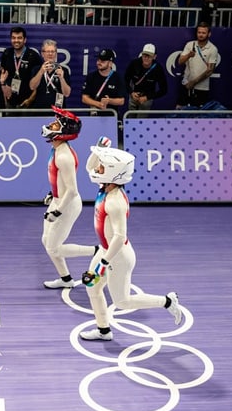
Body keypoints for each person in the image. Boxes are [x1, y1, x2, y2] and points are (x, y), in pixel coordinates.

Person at [79, 143, 184, 341]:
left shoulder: (115, 201)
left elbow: (119, 236)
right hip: (107, 251)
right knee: (92, 287)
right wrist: (97, 150)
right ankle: (104, 330)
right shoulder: (106, 186)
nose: (97, 169)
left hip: (117, 257)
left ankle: (168, 301)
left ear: (112, 172)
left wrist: (104, 263)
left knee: (123, 301)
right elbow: (88, 168)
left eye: (102, 167)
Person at [41, 106, 97, 289]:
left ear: (64, 132)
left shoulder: (64, 156)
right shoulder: (57, 149)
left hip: (67, 205)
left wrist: (57, 211)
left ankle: (97, 251)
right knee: (46, 241)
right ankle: (66, 280)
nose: (51, 125)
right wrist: (53, 193)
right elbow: (61, 181)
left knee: (53, 247)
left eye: (56, 124)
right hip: (59, 200)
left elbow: (72, 190)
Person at [176, 21, 218, 108]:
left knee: (197, 115)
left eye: (203, 33)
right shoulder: (190, 44)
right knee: (179, 110)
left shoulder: (213, 49)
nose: (201, 35)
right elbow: (180, 61)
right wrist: (188, 55)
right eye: (199, 32)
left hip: (202, 88)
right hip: (186, 84)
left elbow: (210, 70)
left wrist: (194, 82)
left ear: (209, 34)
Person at [0, 26, 42, 111]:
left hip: (28, 103)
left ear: (25, 40)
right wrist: (6, 102)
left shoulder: (33, 56)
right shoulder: (7, 54)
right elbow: (3, 78)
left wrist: (30, 100)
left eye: (19, 38)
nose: (16, 41)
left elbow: (39, 83)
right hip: (10, 103)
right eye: (13, 38)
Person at [124, 43, 168, 113]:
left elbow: (164, 90)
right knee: (130, 119)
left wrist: (147, 97)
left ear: (154, 56)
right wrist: (131, 92)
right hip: (133, 97)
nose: (146, 58)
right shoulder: (134, 64)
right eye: (144, 55)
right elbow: (125, 80)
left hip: (147, 99)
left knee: (142, 121)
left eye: (149, 56)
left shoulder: (158, 69)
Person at [81, 48, 126, 116]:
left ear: (110, 63)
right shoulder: (91, 76)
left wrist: (109, 101)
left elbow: (121, 101)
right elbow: (84, 98)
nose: (99, 63)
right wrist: (98, 104)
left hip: (111, 117)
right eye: (98, 60)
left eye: (103, 61)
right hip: (93, 116)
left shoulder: (118, 78)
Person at [29, 40, 72, 110]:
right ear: (42, 54)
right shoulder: (36, 69)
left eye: (52, 51)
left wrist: (61, 78)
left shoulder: (63, 70)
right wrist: (41, 72)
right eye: (47, 51)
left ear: (56, 54)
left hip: (58, 111)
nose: (50, 54)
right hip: (39, 111)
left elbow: (67, 94)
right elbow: (32, 87)